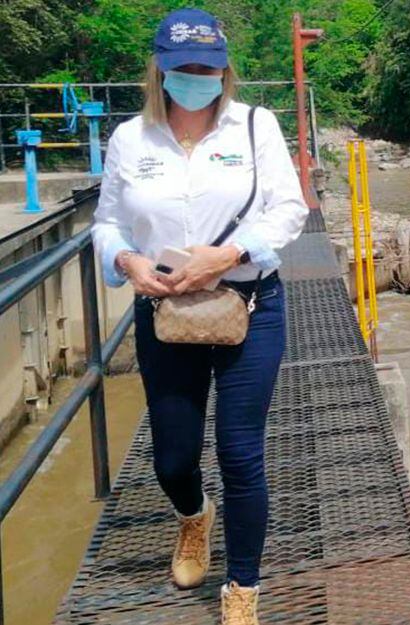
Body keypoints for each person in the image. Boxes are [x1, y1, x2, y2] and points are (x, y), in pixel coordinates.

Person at [91, 8, 308, 624]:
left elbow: (288, 209)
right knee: (172, 458)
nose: (195, 77)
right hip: (165, 313)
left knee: (240, 453)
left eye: (208, 68)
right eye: (183, 67)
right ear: (157, 67)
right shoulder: (130, 139)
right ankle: (193, 517)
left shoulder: (254, 127)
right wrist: (127, 259)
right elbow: (106, 222)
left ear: (224, 70)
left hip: (249, 306)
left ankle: (242, 589)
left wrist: (231, 253)